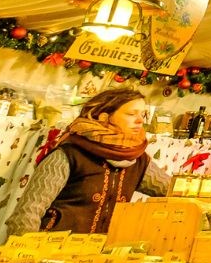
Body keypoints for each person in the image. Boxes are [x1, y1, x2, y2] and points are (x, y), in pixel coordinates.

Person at [9, 88, 171, 234]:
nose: (140, 121)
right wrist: (25, 254)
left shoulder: (138, 159)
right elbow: (28, 212)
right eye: (131, 114)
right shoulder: (69, 154)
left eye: (143, 114)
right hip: (50, 251)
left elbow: (172, 190)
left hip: (97, 256)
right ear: (104, 117)